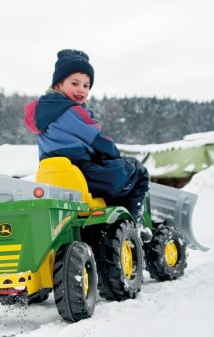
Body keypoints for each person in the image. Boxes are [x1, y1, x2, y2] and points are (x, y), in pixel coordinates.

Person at [24, 49, 151, 241]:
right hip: (82, 172)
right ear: (58, 84)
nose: (81, 89)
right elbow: (99, 142)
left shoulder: (42, 115)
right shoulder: (73, 111)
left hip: (53, 178)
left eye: (86, 85)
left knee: (116, 176)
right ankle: (136, 226)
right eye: (75, 83)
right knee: (137, 171)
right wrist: (117, 156)